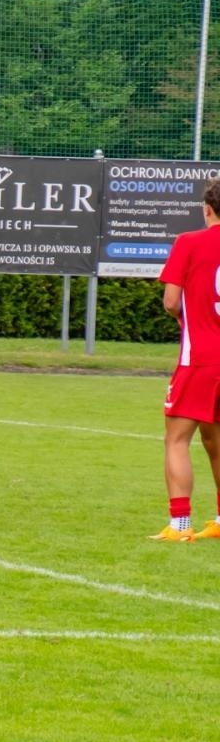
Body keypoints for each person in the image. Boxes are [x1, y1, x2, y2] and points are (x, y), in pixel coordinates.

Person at [151, 176, 220, 542]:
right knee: (217, 442)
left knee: (177, 439)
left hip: (201, 358)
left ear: (207, 208)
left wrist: (189, 317)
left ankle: (180, 525)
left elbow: (171, 301)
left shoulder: (189, 242)